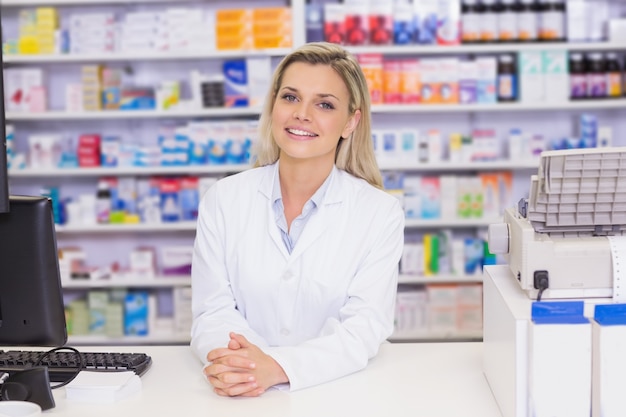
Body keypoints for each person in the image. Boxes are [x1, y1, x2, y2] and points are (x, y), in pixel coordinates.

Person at [190, 41, 405, 397]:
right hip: (239, 394)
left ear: (351, 121)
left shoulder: (379, 213)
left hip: (337, 395)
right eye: (290, 97)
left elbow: (364, 326)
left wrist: (276, 368)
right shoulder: (224, 199)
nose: (302, 114)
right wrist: (245, 367)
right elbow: (212, 312)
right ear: (273, 105)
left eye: (324, 104)